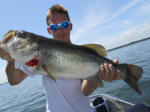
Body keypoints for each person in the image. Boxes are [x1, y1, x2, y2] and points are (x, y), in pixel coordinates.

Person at [0, 4, 123, 112]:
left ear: (70, 26)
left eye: (64, 24)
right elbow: (14, 80)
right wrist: (10, 60)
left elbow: (85, 91)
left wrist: (101, 75)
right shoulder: (35, 58)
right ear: (49, 31)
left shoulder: (83, 55)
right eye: (54, 27)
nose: (60, 30)